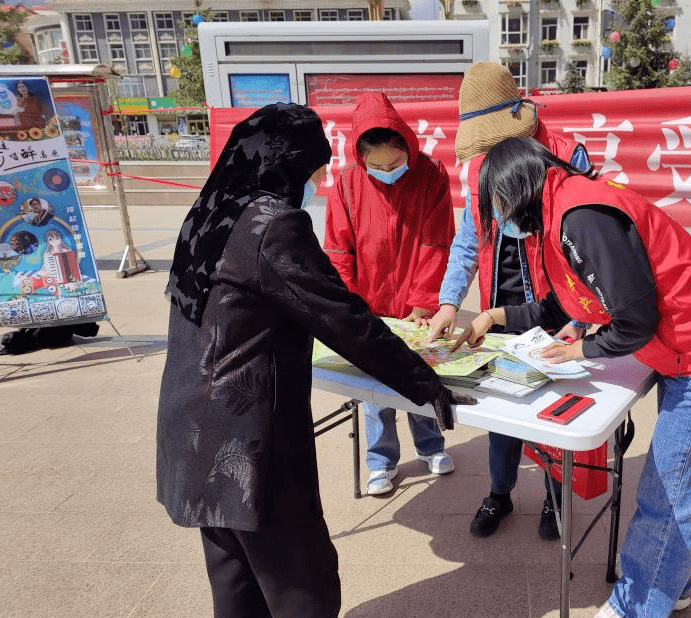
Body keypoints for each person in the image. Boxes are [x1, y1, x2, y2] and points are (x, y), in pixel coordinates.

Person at [156, 103, 473, 618]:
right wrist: (425, 382)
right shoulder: (273, 225)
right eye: (311, 169)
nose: (318, 180)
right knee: (304, 584)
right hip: (249, 443)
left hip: (190, 430)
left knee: (235, 582)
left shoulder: (210, 210)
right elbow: (343, 318)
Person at [451, 137, 691, 618]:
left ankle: (635, 606)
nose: (502, 217)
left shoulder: (581, 216)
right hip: (685, 351)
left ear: (515, 189)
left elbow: (634, 321)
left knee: (670, 495)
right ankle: (671, 584)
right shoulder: (559, 209)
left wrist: (579, 348)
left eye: (498, 204)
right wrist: (490, 318)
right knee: (684, 487)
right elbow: (562, 304)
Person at [421, 61, 590, 540]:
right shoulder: (477, 169)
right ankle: (500, 492)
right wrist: (449, 302)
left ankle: (555, 495)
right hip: (499, 309)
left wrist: (578, 318)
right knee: (502, 409)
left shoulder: (564, 155)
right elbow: (468, 242)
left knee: (556, 407)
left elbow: (586, 248)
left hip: (558, 310)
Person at [324, 92, 456, 496]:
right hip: (370, 302)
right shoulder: (346, 184)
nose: (387, 171)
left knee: (421, 371)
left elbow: (437, 242)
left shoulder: (431, 174)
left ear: (407, 148)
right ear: (360, 157)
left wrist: (423, 300)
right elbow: (338, 250)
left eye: (395, 163)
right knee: (375, 385)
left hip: (417, 306)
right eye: (376, 166)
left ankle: (431, 446)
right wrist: (350, 306)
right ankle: (381, 462)